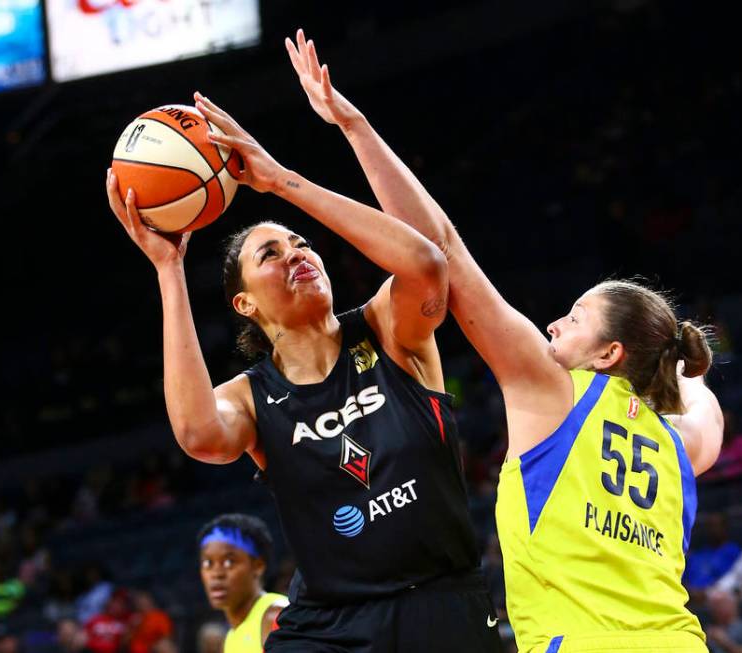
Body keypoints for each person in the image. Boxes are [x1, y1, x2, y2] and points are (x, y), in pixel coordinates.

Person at [286, 28, 724, 652]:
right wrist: (684, 367)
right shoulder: (682, 443)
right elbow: (704, 403)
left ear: (608, 354)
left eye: (574, 318)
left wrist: (354, 127)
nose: (554, 325)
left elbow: (439, 244)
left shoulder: (553, 389)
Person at [108, 76, 501, 653]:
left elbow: (426, 262)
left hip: (443, 608)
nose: (296, 252)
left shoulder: (388, 328)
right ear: (244, 305)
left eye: (302, 243)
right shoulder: (250, 395)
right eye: (271, 254)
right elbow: (197, 434)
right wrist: (169, 271)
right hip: (329, 628)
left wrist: (278, 182)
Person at [197, 514, 286, 653]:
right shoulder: (230, 638)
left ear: (258, 566)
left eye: (229, 562)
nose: (216, 573)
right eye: (208, 563)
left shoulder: (276, 617)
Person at [685, 513, 742, 599]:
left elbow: (733, 579)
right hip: (689, 599)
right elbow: (684, 579)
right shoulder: (698, 554)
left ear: (725, 528)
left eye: (717, 526)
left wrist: (706, 592)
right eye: (710, 526)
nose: (713, 530)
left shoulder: (732, 551)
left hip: (716, 599)